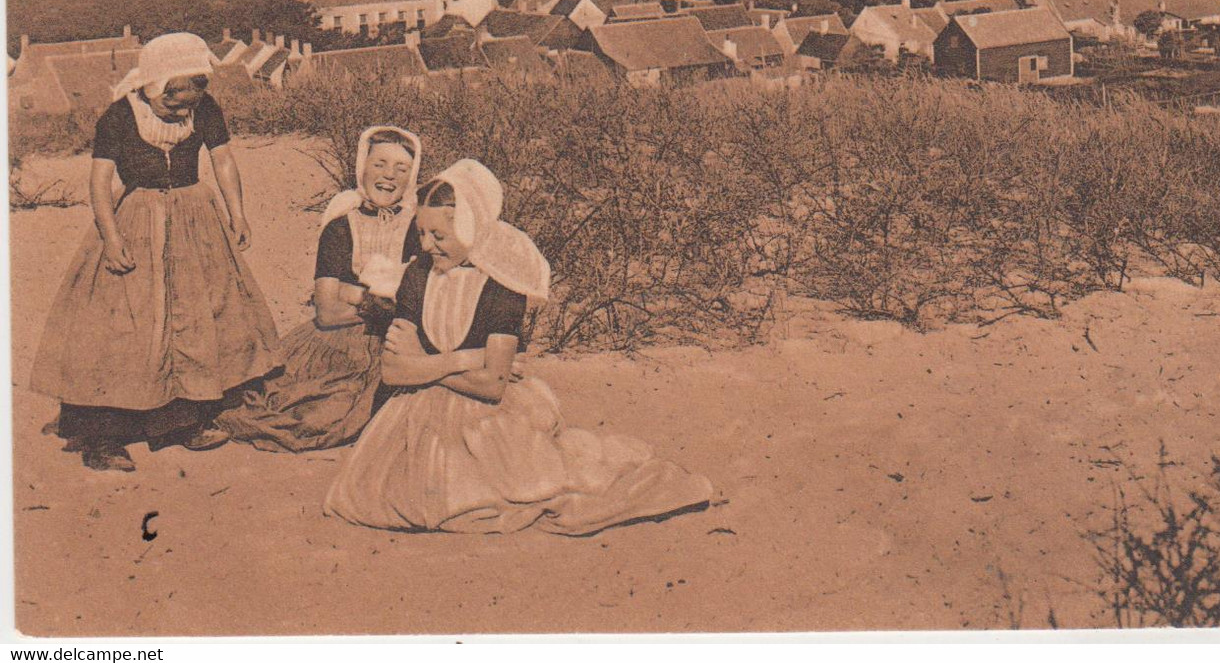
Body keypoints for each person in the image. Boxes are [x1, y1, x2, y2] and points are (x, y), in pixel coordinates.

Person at [325, 159, 713, 535]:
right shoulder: (417, 276)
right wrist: (462, 359)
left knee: (493, 496)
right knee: (383, 497)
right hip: (415, 414)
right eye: (421, 233)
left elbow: (493, 386)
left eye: (438, 236)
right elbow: (392, 371)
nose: (426, 245)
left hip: (488, 416)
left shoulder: (500, 287)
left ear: (469, 228)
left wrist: (425, 364)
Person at [30, 32, 282, 472]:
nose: (183, 110)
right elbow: (99, 182)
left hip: (194, 218)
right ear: (153, 86)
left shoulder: (204, 108)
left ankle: (183, 422)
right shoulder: (118, 117)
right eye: (173, 103)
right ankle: (104, 438)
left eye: (189, 102)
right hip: (137, 221)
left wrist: (237, 213)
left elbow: (223, 160)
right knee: (126, 328)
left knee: (194, 320)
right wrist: (110, 239)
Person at [218, 126, 423, 453]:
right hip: (339, 342)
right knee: (316, 417)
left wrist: (350, 291)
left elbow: (420, 300)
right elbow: (327, 313)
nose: (389, 176)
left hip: (396, 340)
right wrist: (370, 299)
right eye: (380, 164)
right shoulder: (341, 226)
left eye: (402, 169)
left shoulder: (418, 226)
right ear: (362, 167)